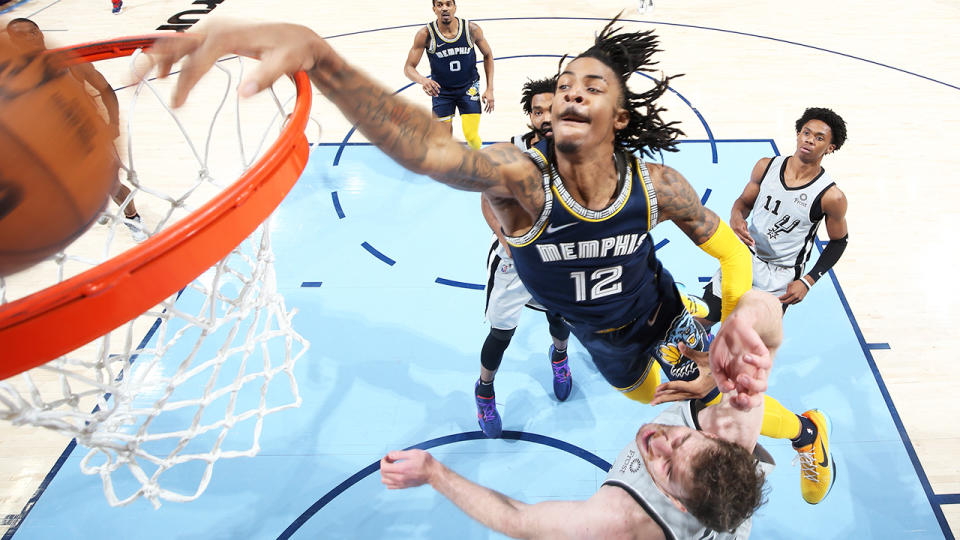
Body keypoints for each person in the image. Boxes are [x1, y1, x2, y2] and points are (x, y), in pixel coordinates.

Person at [146, 14, 832, 506]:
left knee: (723, 407)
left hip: (666, 317)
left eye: (592, 87)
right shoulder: (522, 182)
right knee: (675, 403)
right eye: (565, 84)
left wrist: (737, 310)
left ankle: (805, 433)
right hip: (612, 352)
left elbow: (726, 245)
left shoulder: (656, 187)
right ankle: (782, 426)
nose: (571, 92)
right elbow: (431, 151)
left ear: (620, 119)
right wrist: (318, 56)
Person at [381, 290, 784, 539]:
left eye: (664, 466)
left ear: (677, 504)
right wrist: (745, 320)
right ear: (714, 438)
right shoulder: (735, 425)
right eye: (681, 439)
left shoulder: (618, 523)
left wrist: (435, 473)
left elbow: (518, 520)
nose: (658, 441)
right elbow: (769, 311)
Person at [695, 107, 847, 504]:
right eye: (806, 132)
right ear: (797, 132)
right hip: (741, 262)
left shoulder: (830, 196)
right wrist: (735, 216)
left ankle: (802, 434)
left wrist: (808, 280)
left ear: (830, 148)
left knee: (737, 370)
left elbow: (839, 242)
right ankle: (778, 430)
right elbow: (742, 203)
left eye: (819, 138)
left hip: (778, 282)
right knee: (696, 326)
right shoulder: (766, 166)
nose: (809, 140)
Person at [476, 76, 569, 438]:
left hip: (557, 258)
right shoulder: (508, 153)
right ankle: (484, 390)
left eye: (552, 109)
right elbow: (486, 200)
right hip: (515, 262)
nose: (545, 117)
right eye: (538, 111)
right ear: (529, 117)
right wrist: (508, 240)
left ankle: (559, 358)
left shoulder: (578, 152)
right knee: (501, 333)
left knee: (560, 319)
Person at [6, 18, 146, 242]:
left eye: (32, 33)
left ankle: (134, 219)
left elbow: (106, 90)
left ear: (40, 33)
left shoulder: (69, 61)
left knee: (113, 183)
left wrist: (113, 124)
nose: (29, 39)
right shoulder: (14, 73)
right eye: (20, 37)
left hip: (89, 132)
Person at [403, 0, 494, 150]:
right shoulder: (425, 34)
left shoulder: (471, 29)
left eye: (448, 4)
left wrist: (490, 89)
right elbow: (408, 68)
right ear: (434, 9)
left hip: (468, 88)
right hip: (441, 91)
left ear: (455, 7)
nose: (444, 8)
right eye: (439, 5)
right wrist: (423, 80)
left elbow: (488, 55)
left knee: (471, 136)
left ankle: (478, 160)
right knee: (442, 140)